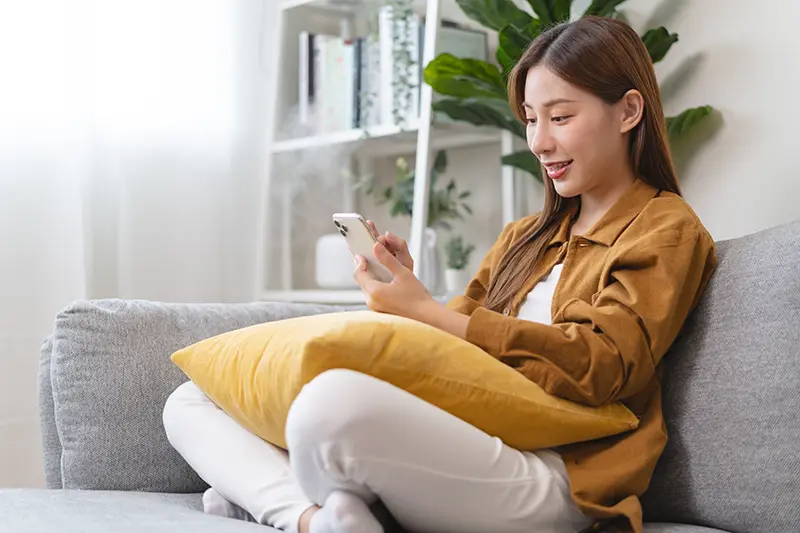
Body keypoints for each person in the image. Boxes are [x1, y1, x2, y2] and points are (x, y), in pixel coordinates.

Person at [163, 16, 718, 533]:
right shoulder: (525, 237)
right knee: (191, 401)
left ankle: (270, 497)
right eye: (530, 119)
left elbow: (604, 367)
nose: (539, 141)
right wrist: (415, 298)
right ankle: (314, 517)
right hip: (468, 436)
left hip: (562, 473)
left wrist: (426, 314)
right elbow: (457, 355)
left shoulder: (665, 228)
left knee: (329, 405)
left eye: (561, 117)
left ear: (627, 111)